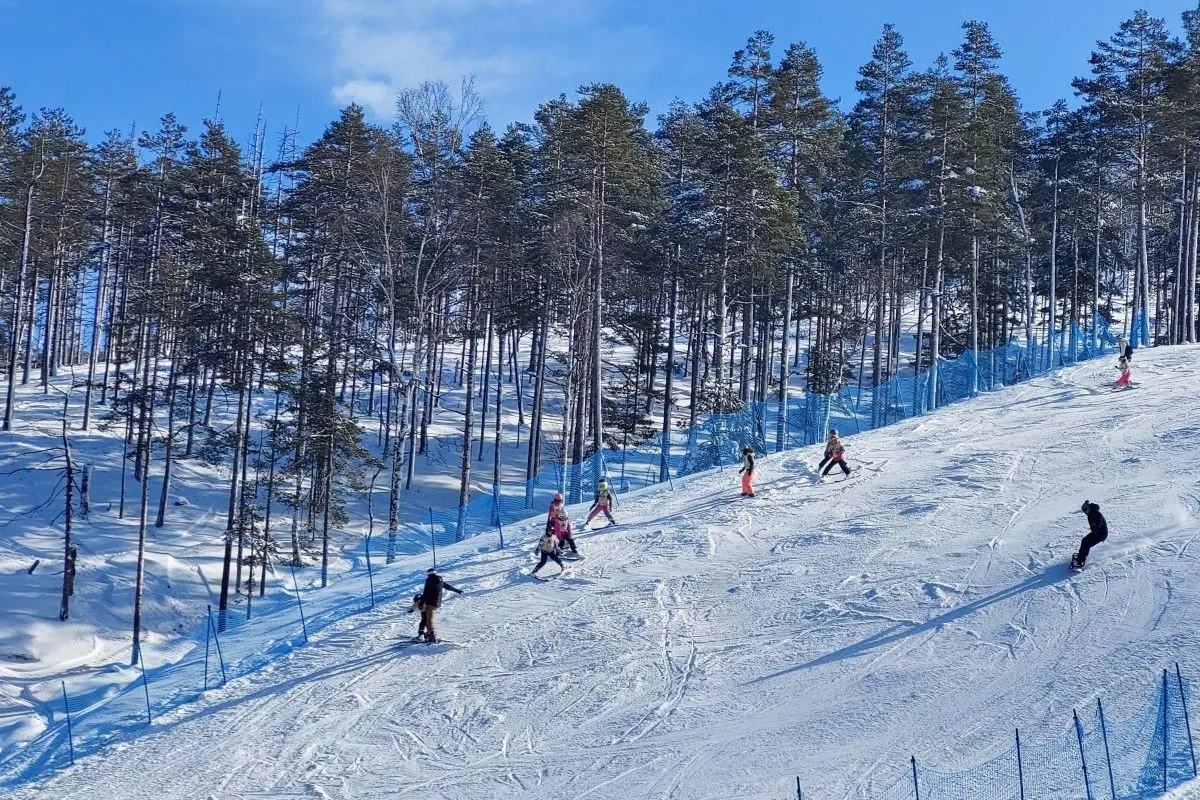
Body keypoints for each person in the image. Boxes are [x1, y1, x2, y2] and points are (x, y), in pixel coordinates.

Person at [418, 568, 463, 642]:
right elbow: (448, 587)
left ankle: (432, 635)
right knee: (427, 618)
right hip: (437, 603)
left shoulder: (429, 581)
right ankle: (429, 632)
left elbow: (425, 593)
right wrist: (457, 590)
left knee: (428, 619)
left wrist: (421, 603)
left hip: (430, 602)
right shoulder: (440, 580)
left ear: (429, 574)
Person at [1071, 501, 1109, 570]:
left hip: (1101, 534)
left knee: (1086, 543)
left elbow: (1099, 521)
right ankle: (1080, 557)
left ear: (1089, 508)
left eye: (1085, 510)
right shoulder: (1092, 513)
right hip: (1097, 532)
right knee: (1084, 541)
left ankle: (1080, 562)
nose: (1085, 512)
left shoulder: (1095, 513)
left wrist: (1097, 526)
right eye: (1083, 511)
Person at [548, 493, 581, 557]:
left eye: (560, 500)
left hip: (562, 525)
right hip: (555, 520)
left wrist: (569, 534)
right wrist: (549, 521)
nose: (559, 501)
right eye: (558, 500)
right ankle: (556, 549)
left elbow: (569, 527)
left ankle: (574, 550)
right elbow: (550, 514)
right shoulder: (552, 505)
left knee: (570, 539)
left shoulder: (565, 517)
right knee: (557, 537)